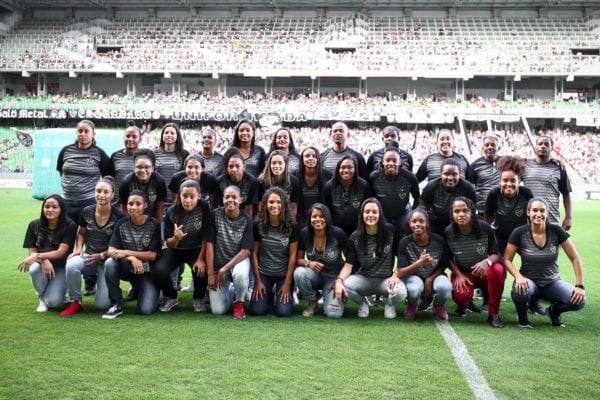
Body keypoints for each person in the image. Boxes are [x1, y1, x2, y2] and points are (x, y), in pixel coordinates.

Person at [504, 198, 585, 328]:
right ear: (528, 213)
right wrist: (518, 277)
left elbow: (575, 258)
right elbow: (507, 259)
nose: (539, 214)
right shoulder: (519, 232)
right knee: (520, 291)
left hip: (552, 282)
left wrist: (580, 286)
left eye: (542, 211)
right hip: (529, 281)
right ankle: (522, 316)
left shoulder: (556, 231)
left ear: (547, 213)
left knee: (579, 301)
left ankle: (553, 312)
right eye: (535, 210)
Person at [333, 198, 406, 319]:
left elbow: (401, 256)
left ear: (380, 214)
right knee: (345, 285)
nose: (370, 215)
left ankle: (389, 304)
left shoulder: (390, 231)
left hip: (385, 280)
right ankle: (362, 303)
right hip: (364, 279)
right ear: (362, 215)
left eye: (374, 212)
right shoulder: (355, 236)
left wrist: (396, 275)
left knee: (401, 292)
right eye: (367, 212)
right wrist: (339, 281)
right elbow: (348, 265)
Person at [62, 177, 123, 316]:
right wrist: (78, 249)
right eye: (98, 191)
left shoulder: (118, 215)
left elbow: (119, 245)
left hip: (108, 261)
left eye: (106, 192)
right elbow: (82, 232)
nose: (101, 195)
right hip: (89, 257)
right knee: (72, 264)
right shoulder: (86, 211)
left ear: (112, 195)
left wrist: (101, 255)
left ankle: (110, 292)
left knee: (101, 305)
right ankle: (76, 301)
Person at [445, 197, 505, 328]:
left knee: (498, 270)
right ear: (452, 214)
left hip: (484, 272)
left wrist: (486, 262)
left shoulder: (484, 227)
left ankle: (493, 313)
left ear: (471, 212)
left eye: (465, 211)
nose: (461, 214)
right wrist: (459, 275)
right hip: (464, 274)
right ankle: (463, 302)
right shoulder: (448, 232)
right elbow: (447, 259)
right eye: (457, 211)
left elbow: (496, 254)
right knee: (461, 296)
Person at [152, 180, 211, 313]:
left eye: (192, 197)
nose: (188, 200)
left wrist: (201, 259)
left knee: (201, 268)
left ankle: (199, 298)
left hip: (196, 249)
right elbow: (168, 243)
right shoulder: (172, 211)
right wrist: (176, 238)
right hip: (176, 250)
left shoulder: (204, 207)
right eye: (184, 196)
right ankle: (172, 297)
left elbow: (207, 235)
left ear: (199, 196)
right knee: (158, 270)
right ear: (179, 195)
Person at [102, 190, 162, 319]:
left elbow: (152, 255)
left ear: (145, 205)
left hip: (147, 272)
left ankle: (140, 289)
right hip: (128, 268)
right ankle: (116, 304)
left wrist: (126, 252)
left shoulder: (154, 224)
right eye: (130, 204)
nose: (133, 207)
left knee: (146, 310)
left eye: (137, 204)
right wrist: (132, 258)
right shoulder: (121, 223)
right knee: (110, 263)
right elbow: (111, 250)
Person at [19, 194, 77, 312]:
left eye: (54, 207)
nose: (50, 210)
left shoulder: (70, 225)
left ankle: (60, 292)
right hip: (41, 264)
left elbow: (61, 253)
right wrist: (44, 260)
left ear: (61, 209)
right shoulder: (33, 225)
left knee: (53, 302)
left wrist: (38, 256)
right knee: (34, 268)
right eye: (47, 207)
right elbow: (32, 253)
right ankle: (41, 298)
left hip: (61, 266)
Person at [249, 187, 300, 317]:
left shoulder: (292, 226)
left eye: (278, 202)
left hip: (283, 275)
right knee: (256, 311)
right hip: (264, 273)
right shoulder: (257, 225)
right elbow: (254, 253)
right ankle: (269, 294)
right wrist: (258, 281)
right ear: (265, 204)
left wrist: (288, 283)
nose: (275, 205)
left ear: (283, 205)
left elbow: (293, 256)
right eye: (271, 202)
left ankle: (283, 291)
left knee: (283, 312)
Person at [205, 186, 254, 318]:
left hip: (238, 262)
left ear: (241, 200)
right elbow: (209, 245)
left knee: (240, 275)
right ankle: (233, 291)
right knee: (218, 311)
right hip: (218, 265)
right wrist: (210, 274)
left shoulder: (247, 220)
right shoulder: (215, 215)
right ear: (223, 199)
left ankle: (239, 303)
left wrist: (224, 269)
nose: (230, 200)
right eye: (227, 197)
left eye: (234, 197)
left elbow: (245, 252)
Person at [396, 208, 452, 320]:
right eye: (414, 221)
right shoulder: (404, 242)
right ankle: (412, 305)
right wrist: (419, 263)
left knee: (445, 287)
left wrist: (430, 278)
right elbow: (401, 272)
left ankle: (438, 305)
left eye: (421, 221)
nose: (417, 224)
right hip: (415, 276)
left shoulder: (438, 241)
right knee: (413, 288)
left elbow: (443, 265)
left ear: (427, 223)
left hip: (435, 276)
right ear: (410, 223)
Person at [294, 203, 348, 318]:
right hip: (315, 275)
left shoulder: (337, 234)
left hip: (333, 277)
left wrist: (340, 280)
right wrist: (309, 263)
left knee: (334, 314)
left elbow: (349, 261)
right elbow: (298, 260)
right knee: (299, 273)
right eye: (314, 216)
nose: (317, 219)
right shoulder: (305, 233)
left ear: (327, 218)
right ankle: (312, 300)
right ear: (310, 219)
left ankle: (333, 296)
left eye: (321, 216)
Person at [56, 119, 111, 222]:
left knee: (87, 235)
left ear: (93, 134)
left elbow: (108, 177)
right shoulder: (65, 151)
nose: (83, 134)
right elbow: (61, 173)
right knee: (65, 235)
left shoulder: (99, 153)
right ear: (76, 132)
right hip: (66, 201)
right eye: (80, 131)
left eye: (86, 131)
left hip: (89, 202)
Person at [484, 155, 534, 255]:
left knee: (531, 260)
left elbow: (532, 216)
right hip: (500, 236)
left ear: (519, 181)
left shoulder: (526, 193)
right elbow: (488, 218)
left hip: (522, 235)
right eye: (505, 180)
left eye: (513, 180)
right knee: (500, 267)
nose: (509, 184)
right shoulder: (494, 194)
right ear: (500, 181)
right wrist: (489, 238)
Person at [522, 136, 572, 230]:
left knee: (552, 244)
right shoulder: (524, 165)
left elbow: (566, 194)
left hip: (552, 218)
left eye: (546, 144)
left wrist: (568, 217)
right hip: (528, 221)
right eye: (540, 144)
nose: (543, 146)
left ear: (551, 148)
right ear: (535, 147)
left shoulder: (559, 167)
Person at [369, 146, 420, 236]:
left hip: (403, 213)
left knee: (405, 235)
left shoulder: (410, 177)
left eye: (394, 160)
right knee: (385, 236)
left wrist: (412, 215)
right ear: (383, 162)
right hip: (383, 214)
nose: (391, 163)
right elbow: (371, 198)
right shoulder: (374, 177)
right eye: (387, 160)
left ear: (400, 162)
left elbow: (417, 199)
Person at [419, 159, 477, 236]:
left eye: (454, 174)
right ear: (441, 174)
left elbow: (473, 208)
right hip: (436, 222)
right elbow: (423, 205)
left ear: (459, 175)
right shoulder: (431, 186)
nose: (450, 177)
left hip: (459, 222)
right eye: (446, 174)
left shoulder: (467, 188)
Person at [323, 155, 372, 237]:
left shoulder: (363, 186)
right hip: (336, 227)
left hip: (358, 227)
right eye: (342, 167)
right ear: (338, 169)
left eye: (350, 167)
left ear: (355, 169)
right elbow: (327, 210)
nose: (346, 170)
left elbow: (366, 209)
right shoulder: (329, 187)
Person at [119, 149, 167, 223]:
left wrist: (156, 227)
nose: (142, 170)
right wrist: (129, 225)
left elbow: (159, 209)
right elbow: (124, 208)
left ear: (153, 168)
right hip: (133, 217)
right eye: (139, 167)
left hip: (152, 218)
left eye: (147, 167)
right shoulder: (126, 182)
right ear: (134, 167)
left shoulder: (159, 182)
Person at [213, 148, 260, 217]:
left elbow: (249, 209)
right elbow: (219, 206)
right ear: (227, 168)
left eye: (237, 166)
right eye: (231, 167)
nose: (234, 169)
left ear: (244, 167)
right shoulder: (219, 182)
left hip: (244, 215)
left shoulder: (252, 182)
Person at [258, 150, 302, 220]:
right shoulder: (261, 180)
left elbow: (293, 207)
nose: (276, 166)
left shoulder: (294, 182)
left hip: (285, 217)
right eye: (274, 163)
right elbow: (260, 204)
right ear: (269, 164)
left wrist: (290, 224)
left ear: (285, 164)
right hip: (267, 217)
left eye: (280, 163)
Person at [154, 122, 190, 207]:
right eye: (166, 133)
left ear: (177, 136)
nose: (169, 135)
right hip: (158, 199)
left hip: (178, 199)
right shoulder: (154, 154)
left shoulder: (184, 155)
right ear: (162, 136)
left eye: (172, 133)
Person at [296, 146, 332, 228]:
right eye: (307, 156)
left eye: (314, 156)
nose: (311, 158)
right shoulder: (295, 176)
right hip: (301, 219)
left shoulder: (328, 175)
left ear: (318, 158)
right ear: (302, 159)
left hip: (322, 217)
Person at [110, 125, 142, 206]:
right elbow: (111, 179)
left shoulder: (145, 157)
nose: (130, 139)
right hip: (117, 203)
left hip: (137, 203)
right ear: (123, 138)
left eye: (134, 137)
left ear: (140, 139)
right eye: (128, 136)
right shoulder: (115, 156)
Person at [471, 134, 501, 216]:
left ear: (499, 147)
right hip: (482, 210)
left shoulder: (505, 162)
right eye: (486, 145)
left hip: (502, 209)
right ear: (482, 148)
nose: (490, 147)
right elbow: (471, 187)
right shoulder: (475, 165)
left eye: (493, 145)